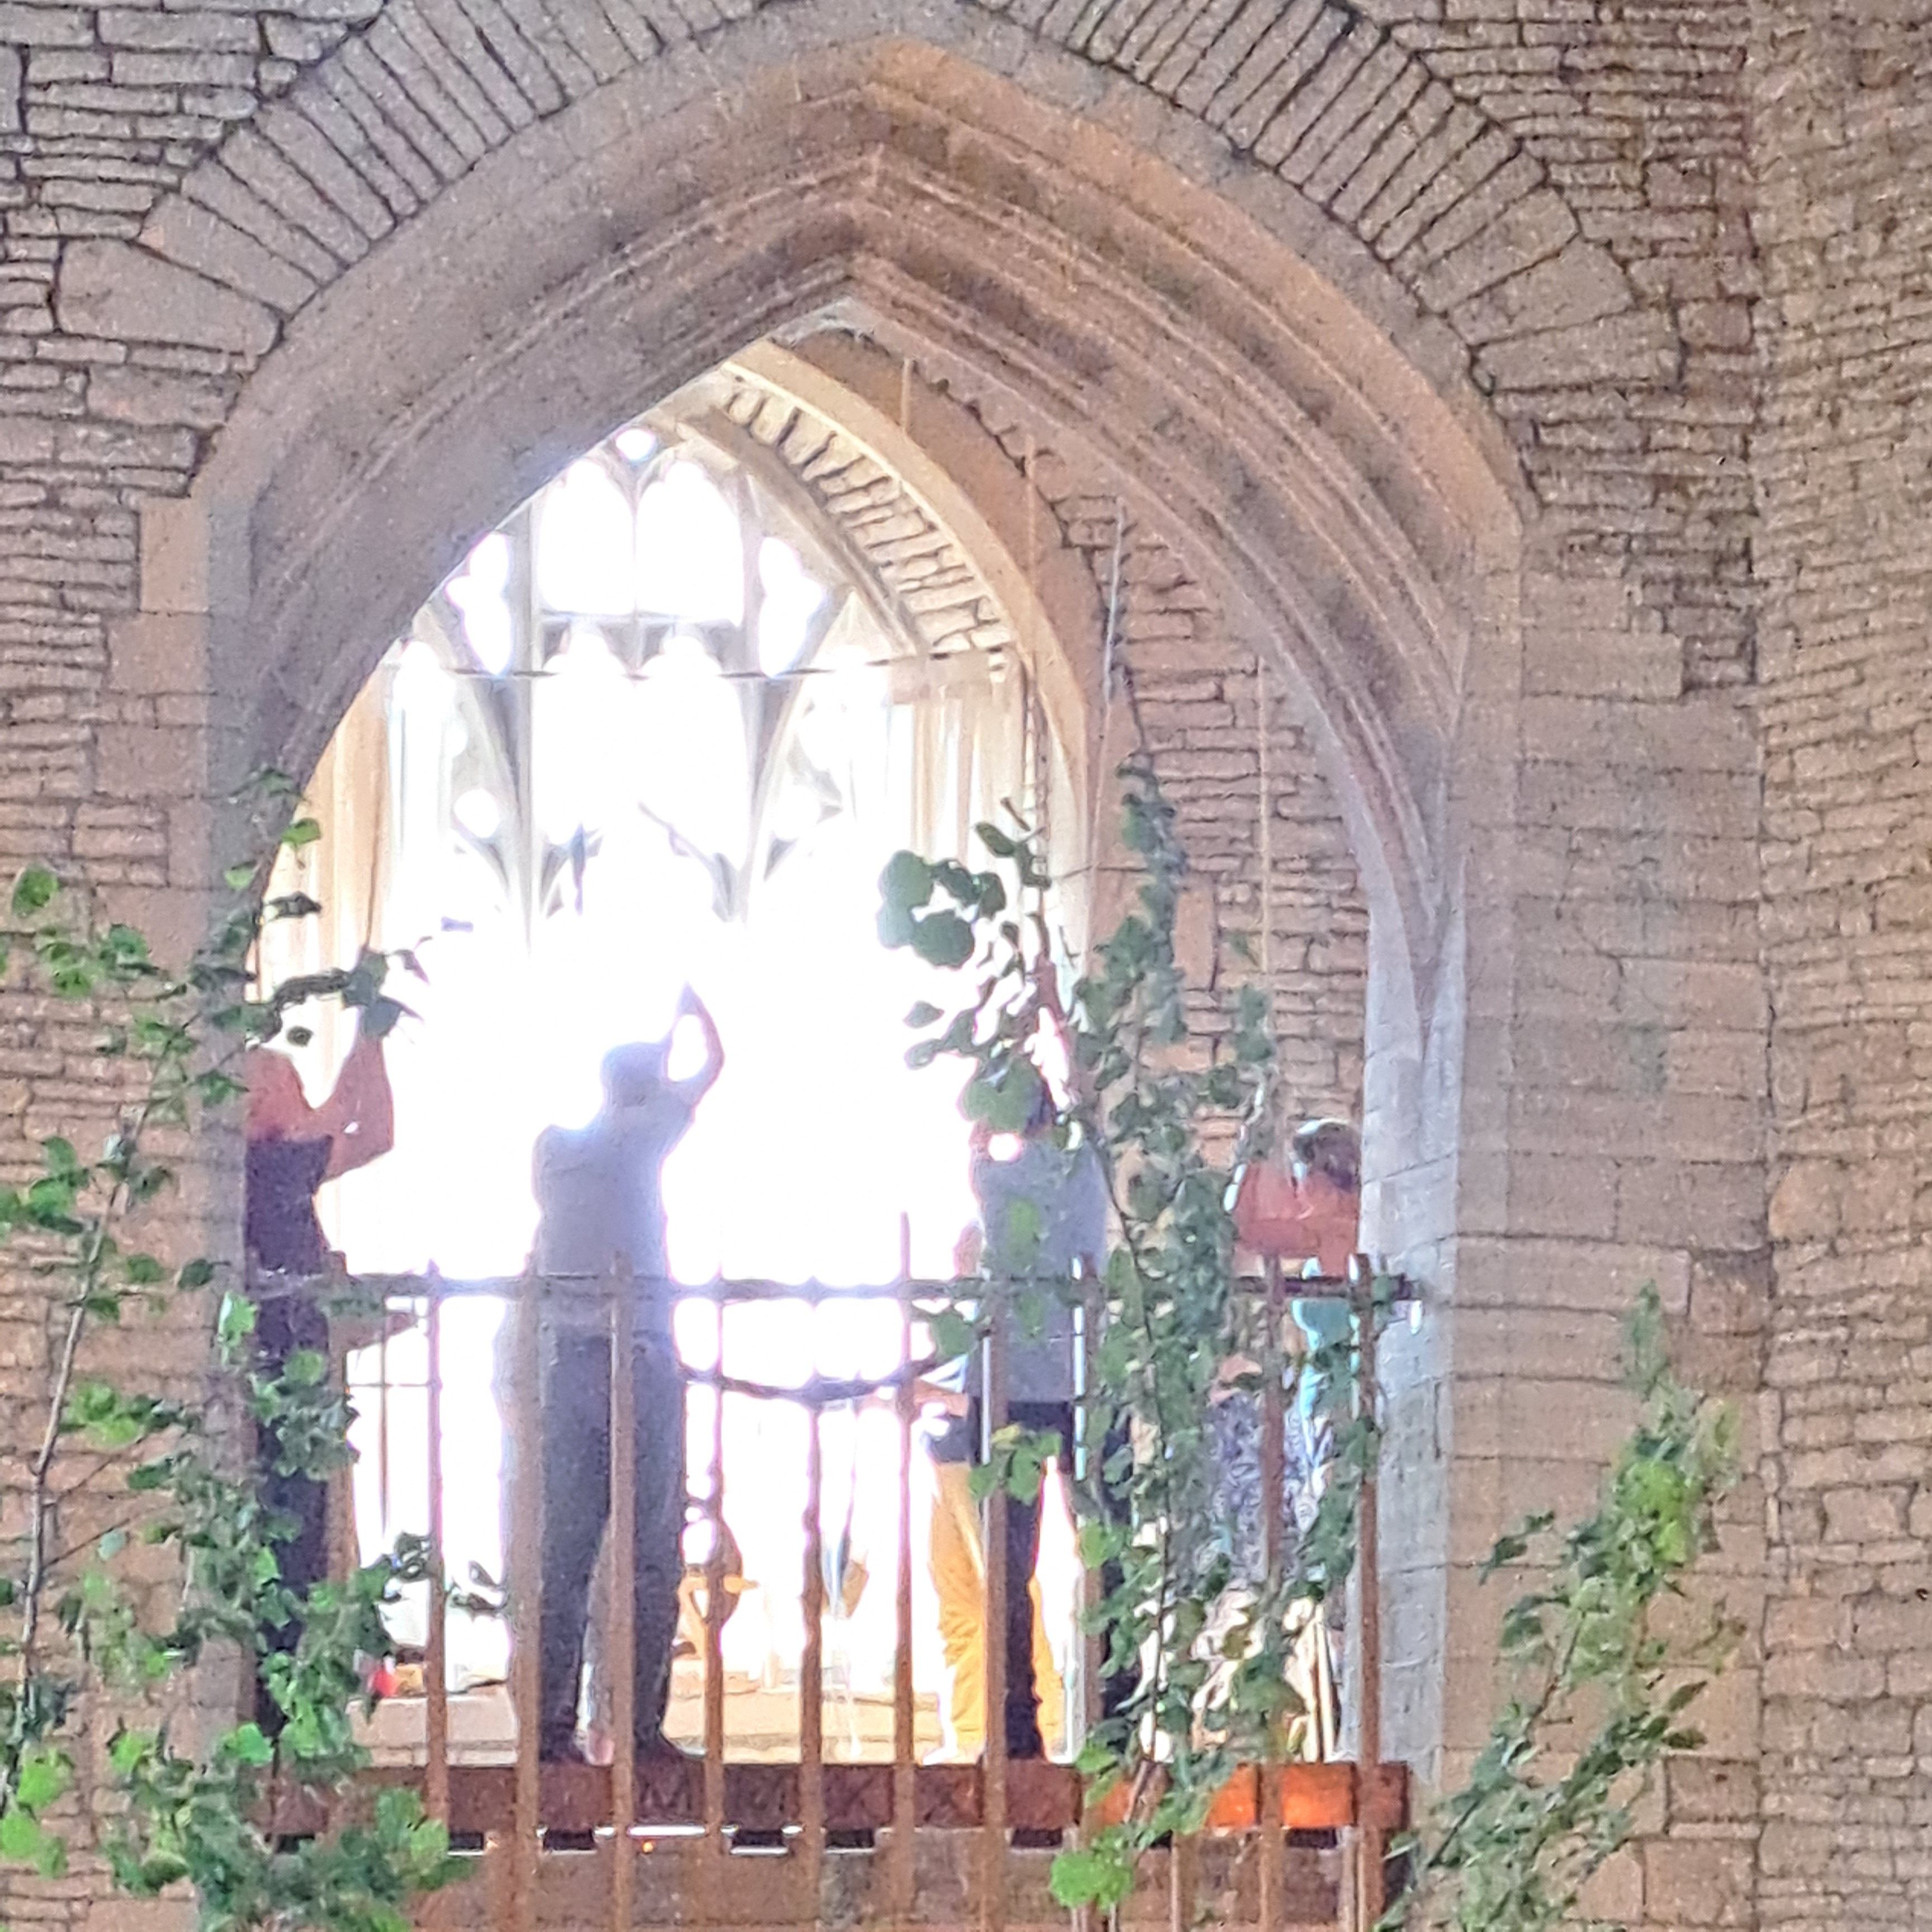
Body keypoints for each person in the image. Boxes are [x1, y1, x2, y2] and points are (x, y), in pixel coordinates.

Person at [531, 988, 722, 1765]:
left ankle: (550, 1730)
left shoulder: (553, 1150)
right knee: (649, 1553)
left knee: (565, 1554)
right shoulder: (642, 1140)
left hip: (568, 1364)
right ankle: (639, 1728)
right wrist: (689, 1020)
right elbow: (711, 1068)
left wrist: (656, 1046)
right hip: (637, 1362)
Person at [243, 1015, 397, 1731]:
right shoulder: (267, 1164)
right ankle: (276, 1710)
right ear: (259, 1104)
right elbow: (347, 1113)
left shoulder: (282, 1168)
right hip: (282, 1375)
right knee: (292, 1536)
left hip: (299, 1369)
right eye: (291, 1087)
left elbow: (377, 1134)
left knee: (307, 1537)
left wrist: (375, 1041)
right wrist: (369, 1023)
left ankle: (290, 1701)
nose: (304, 1100)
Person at [967, 1101, 1108, 1761]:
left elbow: (976, 1146)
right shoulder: (1088, 1173)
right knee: (1105, 1552)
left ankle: (1015, 1724)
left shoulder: (992, 1178)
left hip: (1009, 1383)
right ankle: (1116, 1714)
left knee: (1008, 1562)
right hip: (1083, 1374)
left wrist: (982, 1139)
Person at [920, 1225, 1064, 1761]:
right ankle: (965, 1730)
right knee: (957, 1601)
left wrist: (936, 1397)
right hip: (943, 1459)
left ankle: (1044, 1717)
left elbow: (1003, 1399)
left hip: (976, 1458)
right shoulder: (961, 1320)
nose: (959, 1262)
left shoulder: (1013, 1322)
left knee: (1004, 1589)